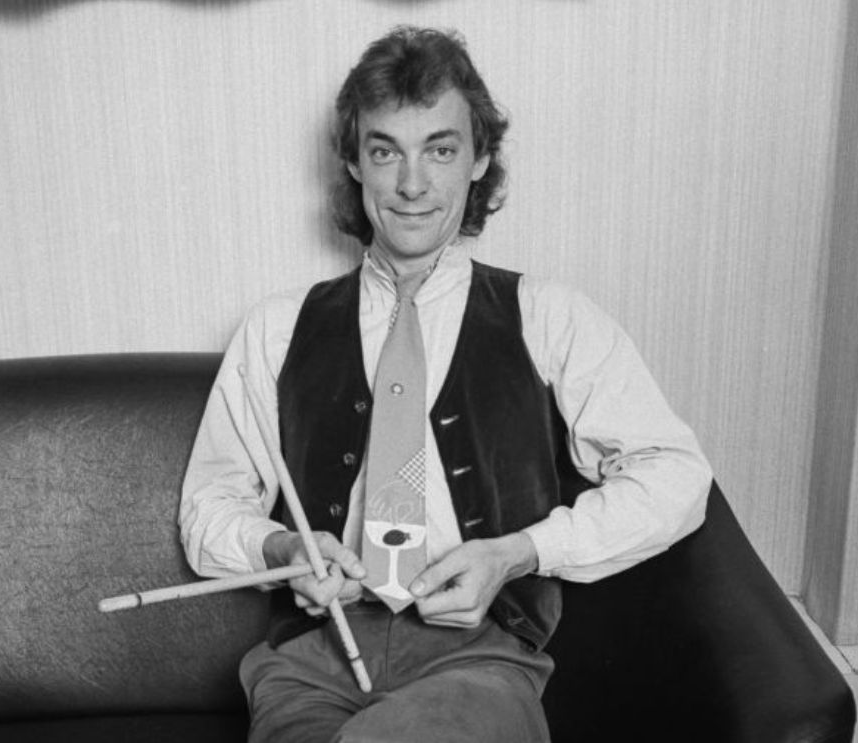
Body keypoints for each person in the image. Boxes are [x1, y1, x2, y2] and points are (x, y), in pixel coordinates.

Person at [180, 26, 713, 743]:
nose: (410, 183)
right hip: (309, 661)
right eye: (383, 151)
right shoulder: (275, 329)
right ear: (352, 163)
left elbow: (674, 476)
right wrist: (279, 550)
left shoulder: (549, 315)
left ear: (478, 159)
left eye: (440, 148)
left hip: (480, 656)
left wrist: (518, 552)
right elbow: (209, 507)